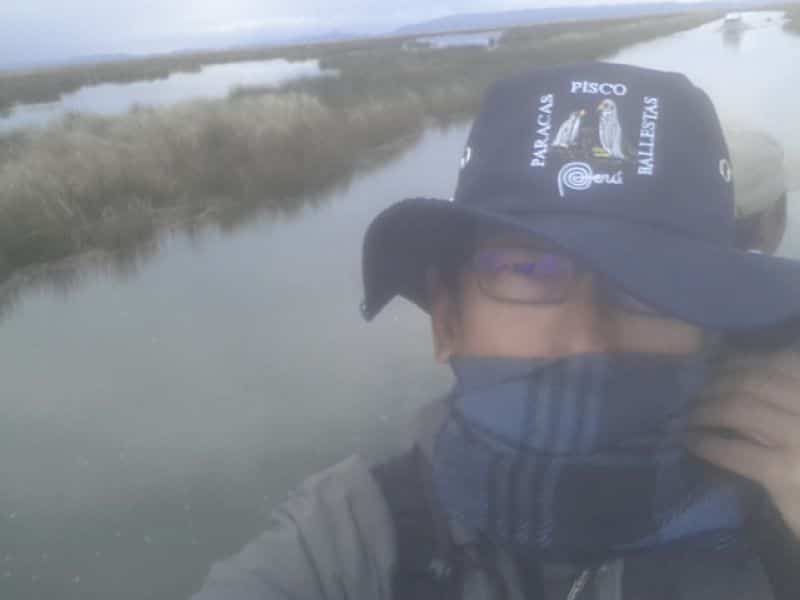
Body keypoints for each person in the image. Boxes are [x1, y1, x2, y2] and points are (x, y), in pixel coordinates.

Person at [192, 63, 800, 600]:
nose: (586, 339)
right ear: (449, 320)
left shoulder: (780, 518)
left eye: (651, 287)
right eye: (528, 271)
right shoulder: (351, 542)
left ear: (712, 325)